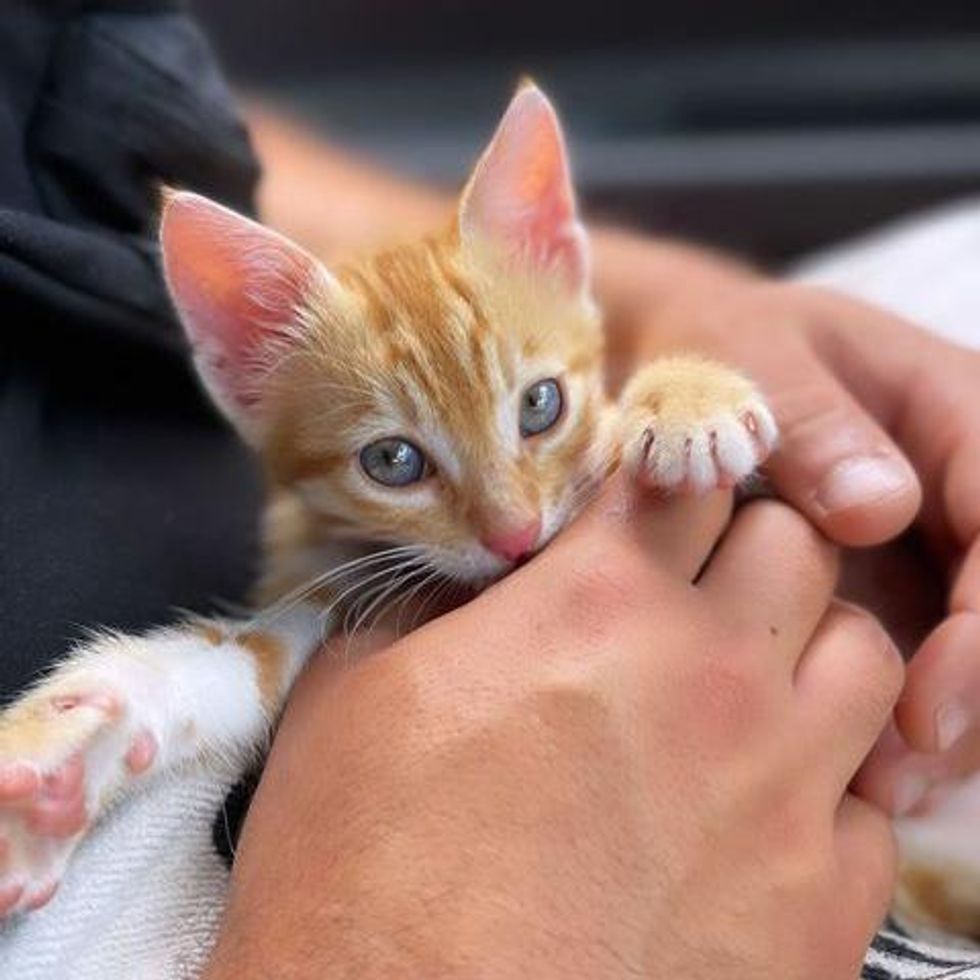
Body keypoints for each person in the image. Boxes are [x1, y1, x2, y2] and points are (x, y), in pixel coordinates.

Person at [2, 1, 980, 977]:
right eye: (397, 462)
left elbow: (140, 120)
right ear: (246, 372)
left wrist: (686, 342)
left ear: (561, 255)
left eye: (537, 409)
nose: (510, 520)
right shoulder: (328, 572)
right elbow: (289, 655)